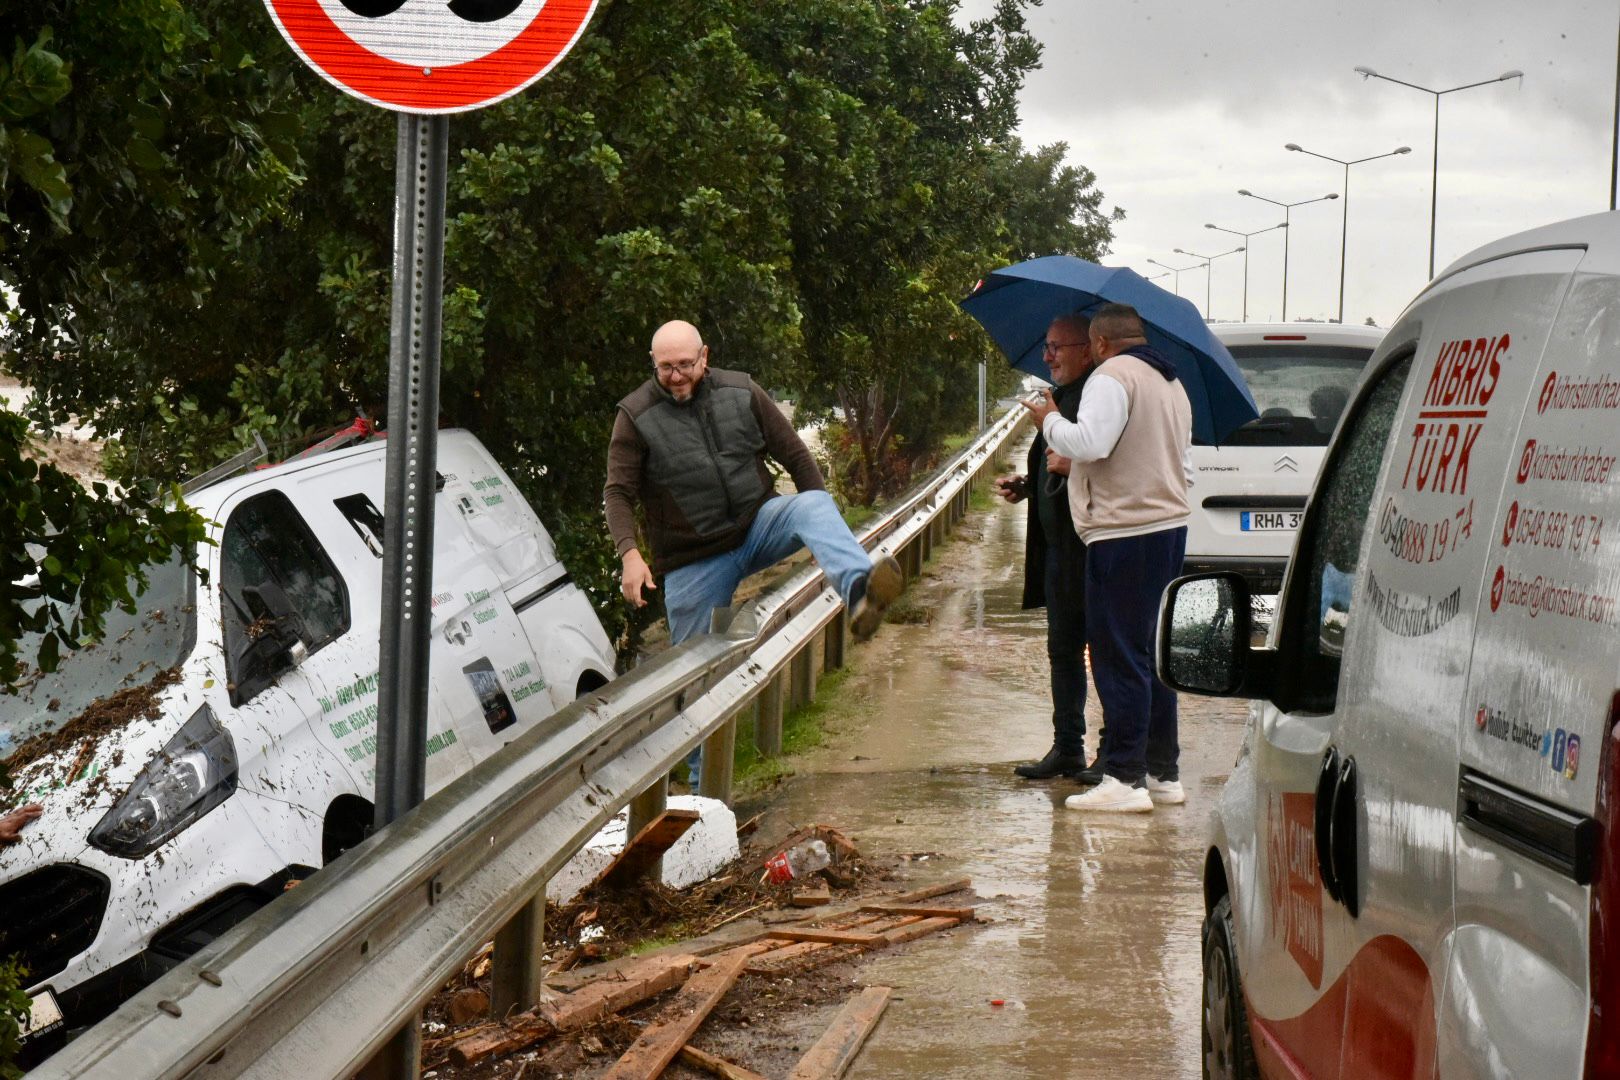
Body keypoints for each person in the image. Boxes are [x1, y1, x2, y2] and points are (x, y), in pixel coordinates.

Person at [604, 320, 903, 788]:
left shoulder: (740, 391)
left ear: (704, 356)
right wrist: (629, 554)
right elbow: (618, 493)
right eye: (666, 368)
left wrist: (820, 530)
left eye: (685, 364)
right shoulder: (635, 416)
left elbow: (797, 458)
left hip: (756, 526)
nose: (677, 376)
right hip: (691, 561)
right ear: (653, 366)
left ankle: (860, 589)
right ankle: (706, 792)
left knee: (812, 504)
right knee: (698, 676)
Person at [1023, 303, 1193, 813]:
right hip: (1167, 527)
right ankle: (1162, 772)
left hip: (1124, 533)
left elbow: (1090, 441)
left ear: (1098, 343)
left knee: (1118, 656)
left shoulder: (1111, 377)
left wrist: (1049, 420)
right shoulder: (1170, 382)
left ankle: (1123, 777)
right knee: (1150, 654)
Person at [995, 314, 1101, 781]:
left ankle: (1113, 750)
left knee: (1105, 651)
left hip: (1090, 548)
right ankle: (1068, 747)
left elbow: (1092, 466)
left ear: (1088, 348)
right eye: (1047, 345)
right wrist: (1028, 486)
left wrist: (1053, 424)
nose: (1048, 356)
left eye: (1057, 346)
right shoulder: (1063, 399)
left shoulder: (1097, 400)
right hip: (1058, 551)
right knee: (1062, 649)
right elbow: (1057, 467)